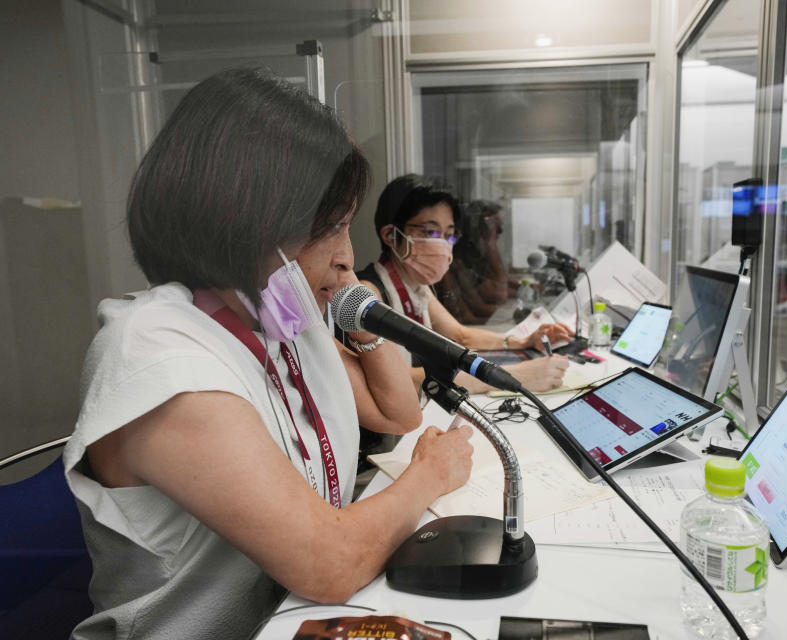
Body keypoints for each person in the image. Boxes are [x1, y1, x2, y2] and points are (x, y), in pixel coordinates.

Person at [63, 68, 474, 640]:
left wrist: (363, 309)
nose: (346, 256)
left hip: (294, 620)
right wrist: (430, 474)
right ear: (242, 220)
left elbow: (398, 413)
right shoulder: (155, 354)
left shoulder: (276, 321)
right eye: (330, 227)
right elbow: (329, 563)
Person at [356, 174, 572, 394]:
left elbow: (460, 335)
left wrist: (523, 341)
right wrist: (518, 376)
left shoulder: (416, 286)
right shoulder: (368, 294)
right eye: (430, 232)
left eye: (448, 235)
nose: (441, 245)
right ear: (391, 236)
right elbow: (401, 380)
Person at [435, 199, 512, 324]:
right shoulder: (448, 264)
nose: (500, 230)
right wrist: (490, 244)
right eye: (493, 224)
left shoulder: (465, 258)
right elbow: (497, 294)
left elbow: (470, 311)